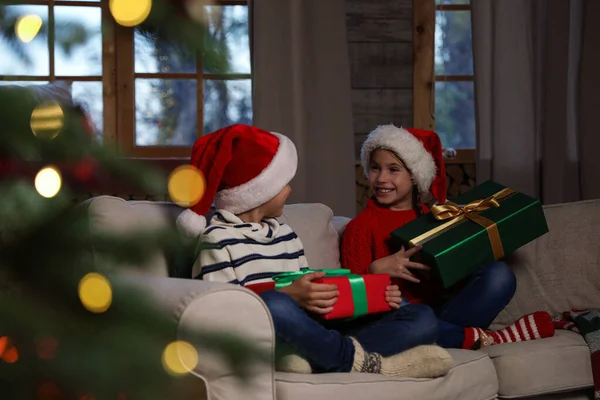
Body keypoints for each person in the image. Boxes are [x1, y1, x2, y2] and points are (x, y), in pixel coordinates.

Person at [176, 124, 453, 377]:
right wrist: (289, 296)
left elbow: (314, 288)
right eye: (283, 183)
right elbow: (216, 308)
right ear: (259, 190)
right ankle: (358, 362)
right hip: (263, 336)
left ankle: (316, 357)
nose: (289, 190)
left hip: (311, 331)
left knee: (422, 318)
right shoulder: (217, 239)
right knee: (276, 304)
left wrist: (371, 293)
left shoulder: (284, 232)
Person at [341, 124, 555, 349]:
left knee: (500, 275)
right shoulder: (360, 228)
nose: (381, 178)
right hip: (404, 314)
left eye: (393, 169)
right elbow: (350, 302)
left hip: (446, 310)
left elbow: (453, 277)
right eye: (375, 168)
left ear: (414, 176)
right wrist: (376, 270)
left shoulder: (436, 216)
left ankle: (442, 336)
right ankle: (486, 338)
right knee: (406, 312)